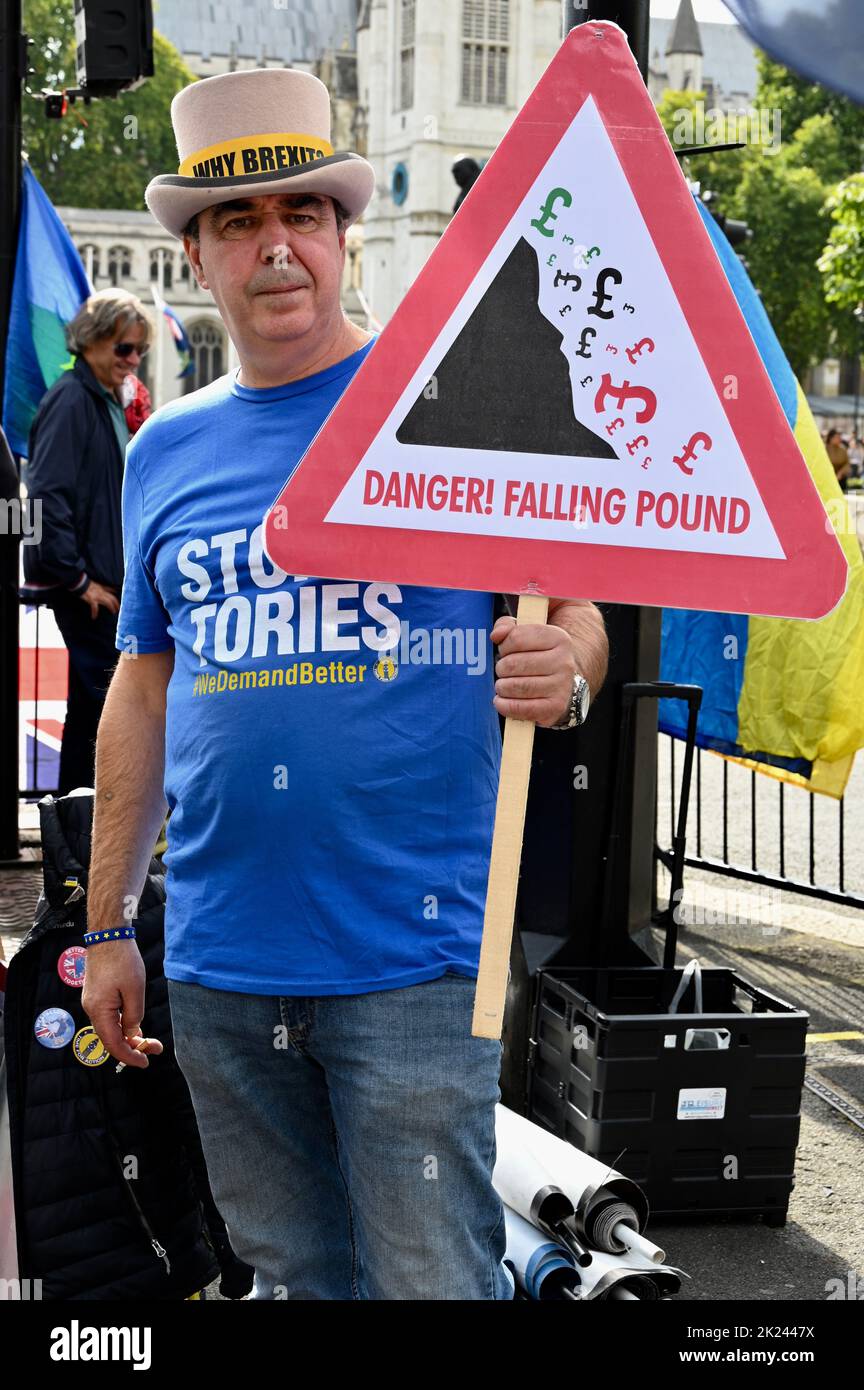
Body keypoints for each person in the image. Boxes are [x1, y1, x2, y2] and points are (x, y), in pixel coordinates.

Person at [81, 68, 609, 1301]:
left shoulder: (454, 419)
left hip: (416, 962)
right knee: (289, 1277)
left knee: (432, 1278)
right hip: (220, 965)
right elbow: (142, 692)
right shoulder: (163, 450)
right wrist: (109, 926)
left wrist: (567, 671)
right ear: (200, 259)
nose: (274, 248)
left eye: (300, 216)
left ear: (340, 237)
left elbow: (575, 620)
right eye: (237, 224)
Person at [21, 290, 151, 793]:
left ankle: (79, 838)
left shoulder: (100, 399)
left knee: (94, 714)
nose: (133, 360)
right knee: (101, 718)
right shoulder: (72, 400)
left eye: (139, 350)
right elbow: (45, 499)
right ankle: (82, 838)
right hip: (90, 590)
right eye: (124, 348)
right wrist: (77, 582)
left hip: (104, 582)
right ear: (92, 342)